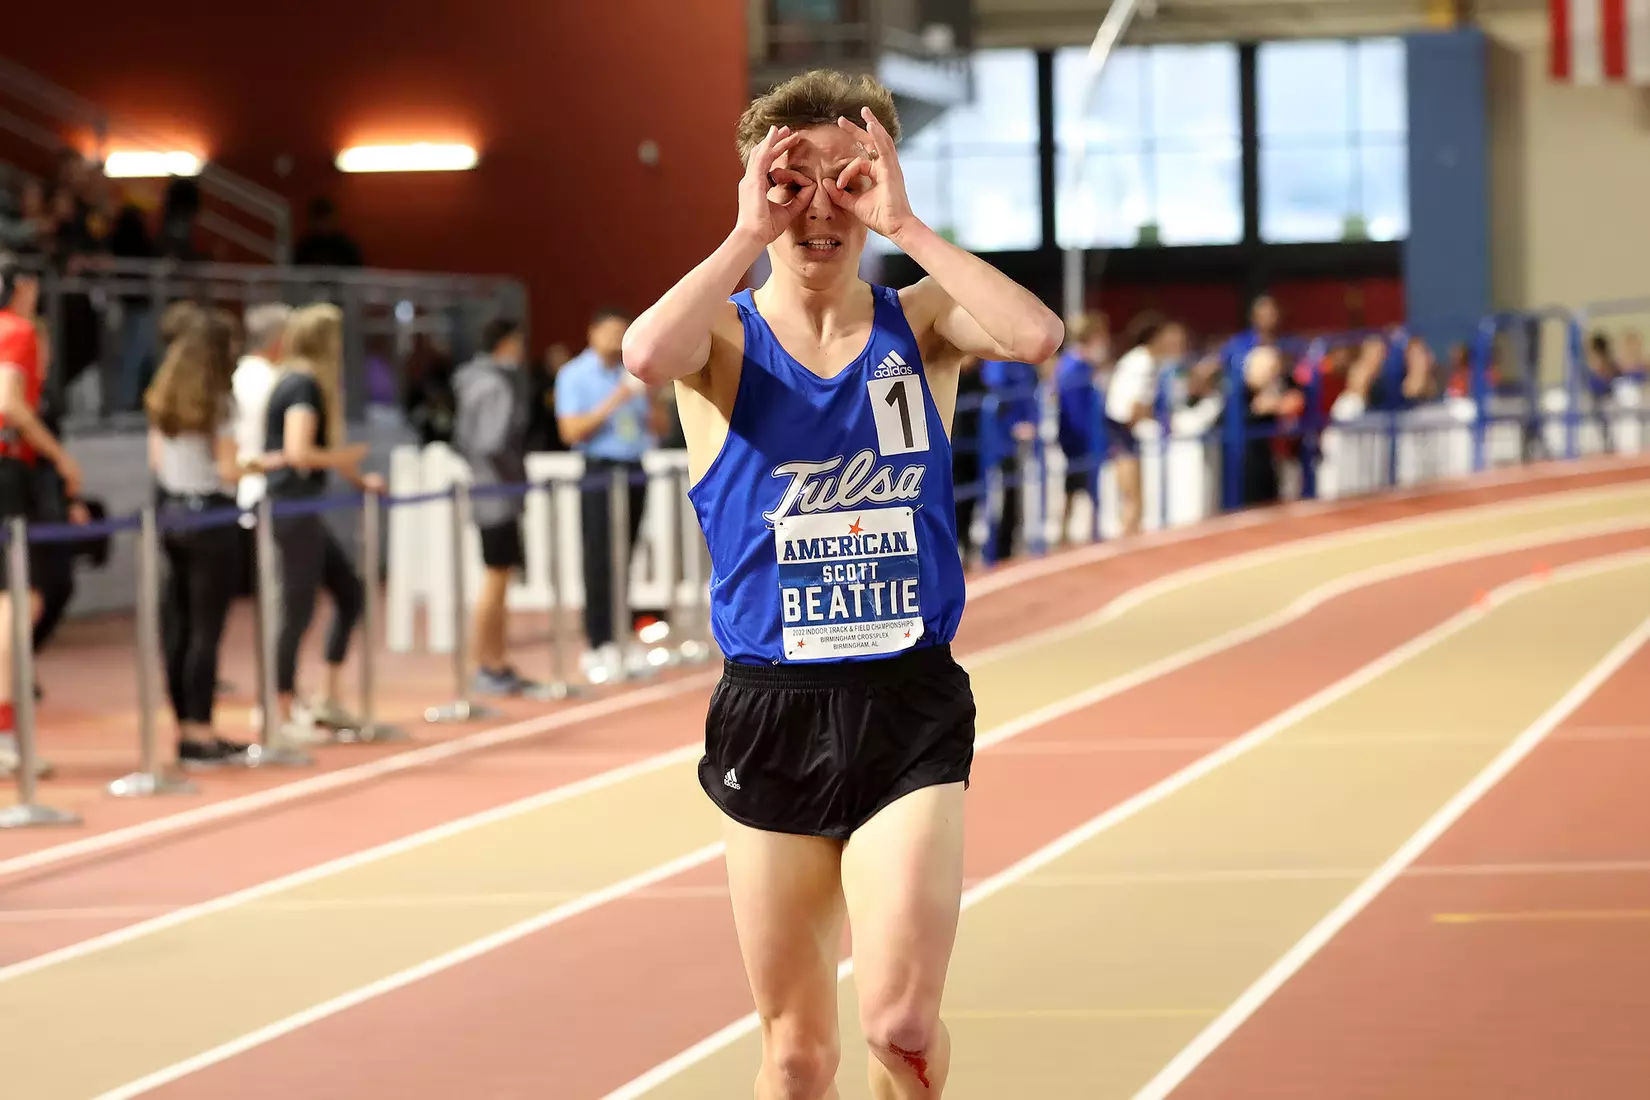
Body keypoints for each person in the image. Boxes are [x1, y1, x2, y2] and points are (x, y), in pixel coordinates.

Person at [622, 69, 1062, 1098]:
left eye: (846, 178)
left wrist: (906, 223)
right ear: (755, 186)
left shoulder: (924, 321)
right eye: (792, 180)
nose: (819, 205)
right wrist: (746, 231)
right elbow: (644, 354)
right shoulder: (724, 338)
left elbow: (1037, 335)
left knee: (900, 1024)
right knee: (797, 1056)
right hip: (771, 706)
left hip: (906, 701)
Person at [145, 309, 262, 764]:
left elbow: (157, 462)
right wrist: (260, 463)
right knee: (205, 628)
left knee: (178, 624)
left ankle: (186, 726)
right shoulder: (220, 403)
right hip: (211, 516)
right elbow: (229, 470)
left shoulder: (163, 398)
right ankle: (200, 730)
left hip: (173, 512)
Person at [265, 303, 378, 741]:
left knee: (349, 592)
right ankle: (281, 708)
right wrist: (342, 459)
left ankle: (327, 697)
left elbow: (319, 447)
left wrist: (358, 478)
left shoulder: (301, 382)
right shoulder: (302, 384)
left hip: (302, 506)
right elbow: (300, 452)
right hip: (292, 507)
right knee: (297, 607)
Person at [0, 253, 82, 777]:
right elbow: (9, 402)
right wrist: (59, 455)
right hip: (7, 469)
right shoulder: (16, 330)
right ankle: (4, 732)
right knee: (16, 601)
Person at [554, 308, 657, 683]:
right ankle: (598, 643)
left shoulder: (633, 373)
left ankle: (620, 637)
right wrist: (615, 400)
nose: (616, 339)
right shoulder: (574, 375)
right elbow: (570, 431)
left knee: (625, 555)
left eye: (622, 332)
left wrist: (654, 397)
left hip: (633, 468)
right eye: (610, 332)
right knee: (598, 557)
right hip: (599, 471)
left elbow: (657, 427)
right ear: (592, 333)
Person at [452, 317, 540, 695]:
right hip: (498, 492)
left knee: (497, 578)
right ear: (505, 343)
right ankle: (486, 663)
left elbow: (464, 440)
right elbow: (492, 441)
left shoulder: (471, 381)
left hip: (486, 488)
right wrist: (513, 475)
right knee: (496, 579)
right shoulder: (495, 385)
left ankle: (495, 660)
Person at [1105, 313, 1184, 537]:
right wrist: (1155, 419)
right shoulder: (1142, 363)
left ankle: (1130, 535)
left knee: (1135, 499)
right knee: (1133, 499)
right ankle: (1127, 541)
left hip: (1124, 430)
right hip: (1120, 430)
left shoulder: (1145, 361)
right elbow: (1132, 407)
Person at [1053, 312, 1108, 545]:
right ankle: (1073, 535)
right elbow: (1074, 409)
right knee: (1078, 485)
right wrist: (1085, 438)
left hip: (1085, 437)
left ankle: (1076, 532)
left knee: (1077, 487)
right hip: (1079, 439)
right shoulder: (1074, 367)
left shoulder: (1081, 365)